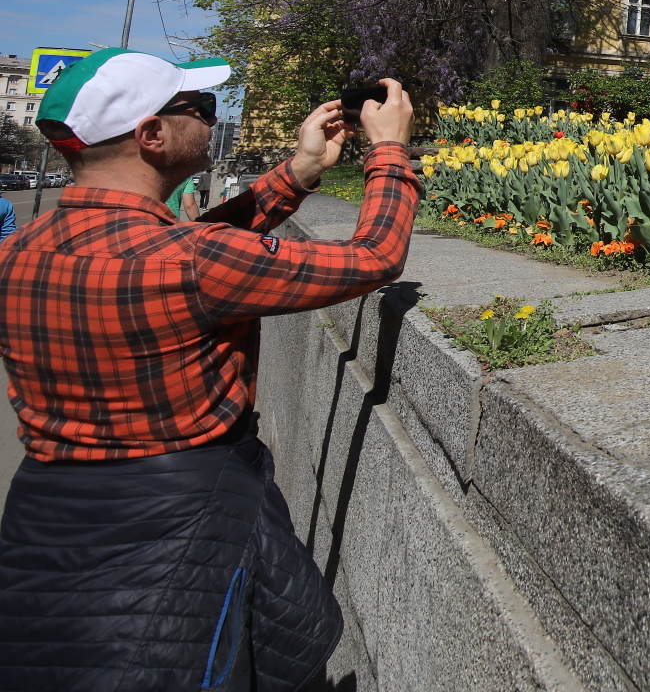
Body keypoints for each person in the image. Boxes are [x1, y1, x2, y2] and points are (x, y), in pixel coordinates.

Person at [0, 48, 417, 690]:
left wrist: (299, 171)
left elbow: (190, 249)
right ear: (152, 135)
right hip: (179, 522)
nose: (214, 121)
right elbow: (374, 256)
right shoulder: (191, 263)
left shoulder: (20, 252)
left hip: (47, 518)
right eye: (201, 109)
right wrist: (389, 151)